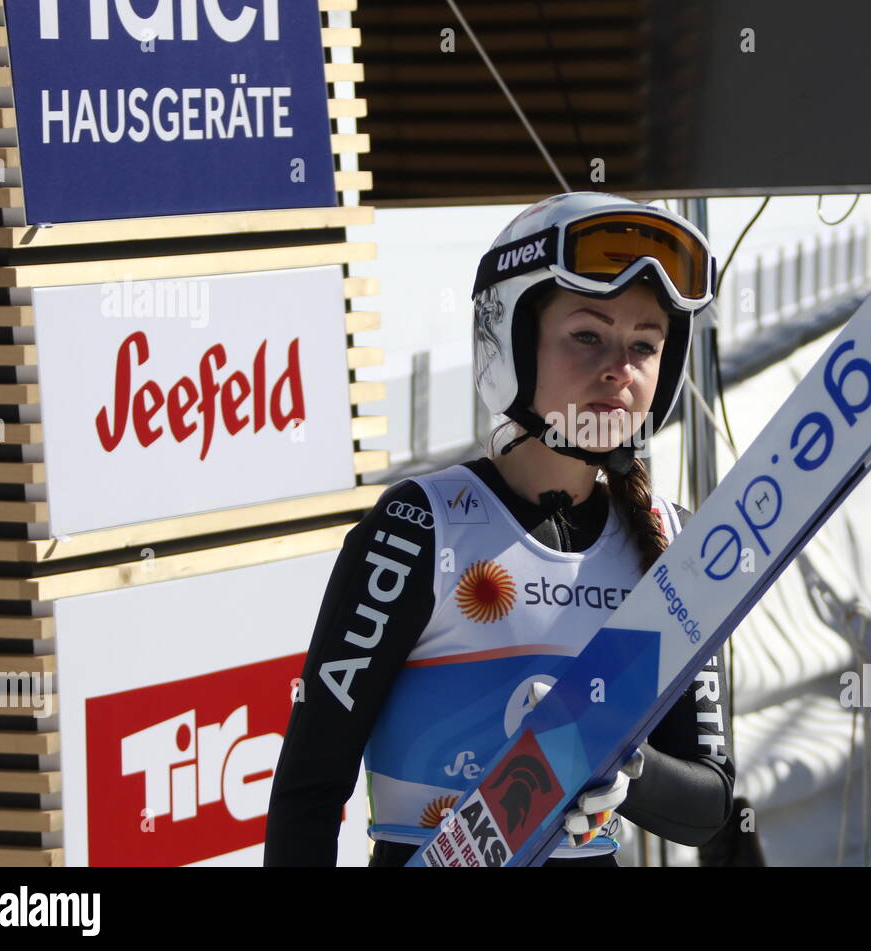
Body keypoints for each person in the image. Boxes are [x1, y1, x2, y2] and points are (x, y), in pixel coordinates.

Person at [264, 191, 736, 867]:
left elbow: (709, 802)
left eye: (644, 345)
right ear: (509, 341)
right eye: (587, 335)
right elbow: (310, 787)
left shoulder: (670, 542)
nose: (619, 369)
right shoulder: (419, 529)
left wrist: (620, 758)